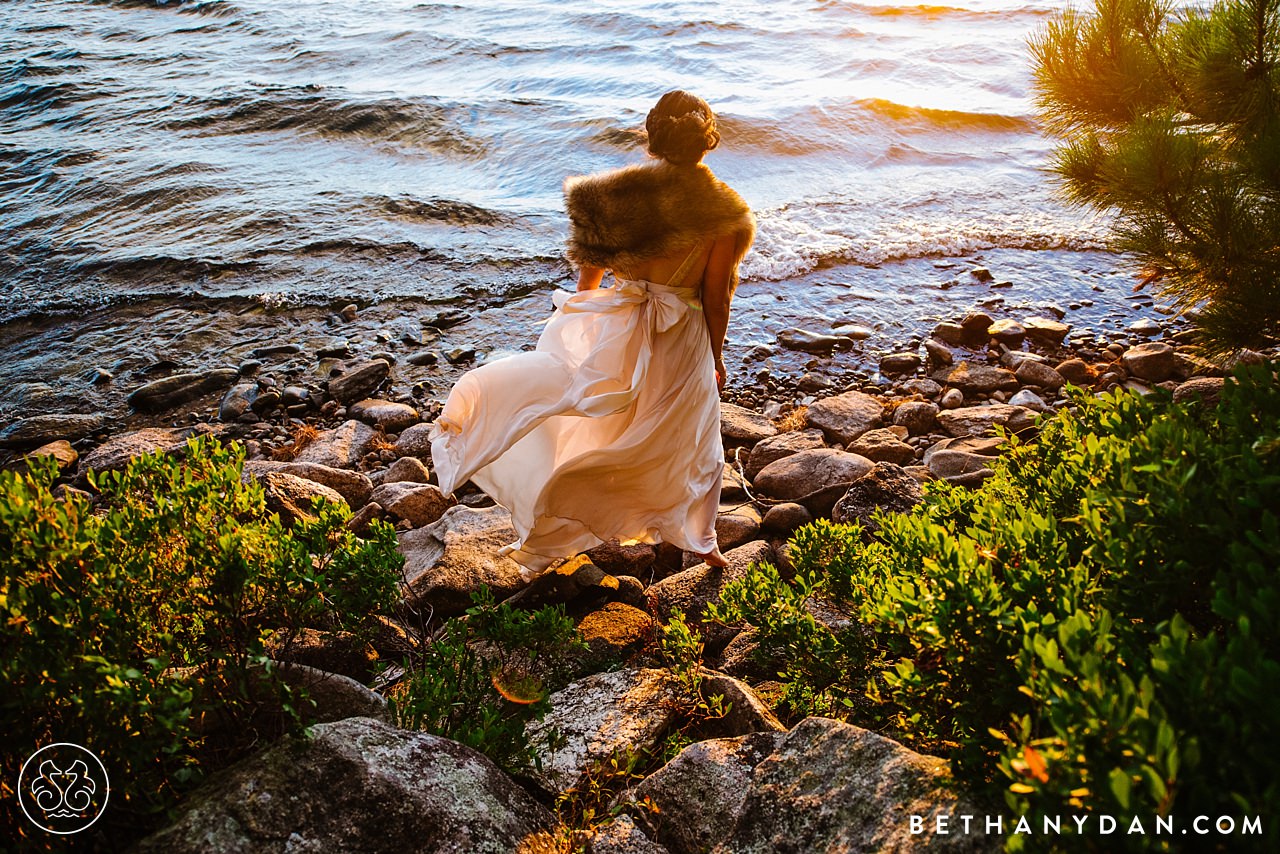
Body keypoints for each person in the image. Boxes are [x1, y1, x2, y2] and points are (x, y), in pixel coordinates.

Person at [429, 90, 755, 576]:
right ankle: (700, 540)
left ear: (652, 135)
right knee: (690, 436)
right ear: (707, 140)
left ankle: (564, 511)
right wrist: (716, 355)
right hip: (680, 332)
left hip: (620, 319)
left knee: (600, 417)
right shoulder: (723, 209)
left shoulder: (612, 195)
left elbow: (589, 272)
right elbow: (716, 296)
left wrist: (583, 313)